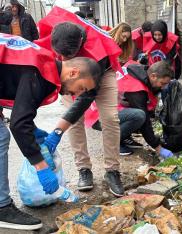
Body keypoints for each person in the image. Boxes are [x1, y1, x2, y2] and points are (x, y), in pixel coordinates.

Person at [0, 33, 100, 230]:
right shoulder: (40, 73)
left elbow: (22, 115)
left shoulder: (44, 63)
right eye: (81, 88)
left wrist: (33, 131)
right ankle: (2, 207)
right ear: (73, 73)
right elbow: (19, 125)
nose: (77, 95)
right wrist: (41, 167)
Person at [36, 7, 124, 196]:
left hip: (103, 73)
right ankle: (84, 169)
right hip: (70, 77)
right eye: (62, 56)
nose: (65, 60)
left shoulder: (96, 51)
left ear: (81, 44)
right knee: (74, 122)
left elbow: (87, 96)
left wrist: (58, 131)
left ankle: (112, 170)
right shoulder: (55, 32)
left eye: (70, 56)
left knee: (110, 118)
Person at [117, 61, 174, 158]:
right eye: (162, 83)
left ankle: (124, 136)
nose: (163, 87)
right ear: (153, 76)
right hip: (100, 116)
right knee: (140, 116)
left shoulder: (140, 71)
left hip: (114, 108)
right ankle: (113, 141)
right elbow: (145, 122)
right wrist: (157, 147)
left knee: (139, 114)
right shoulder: (136, 89)